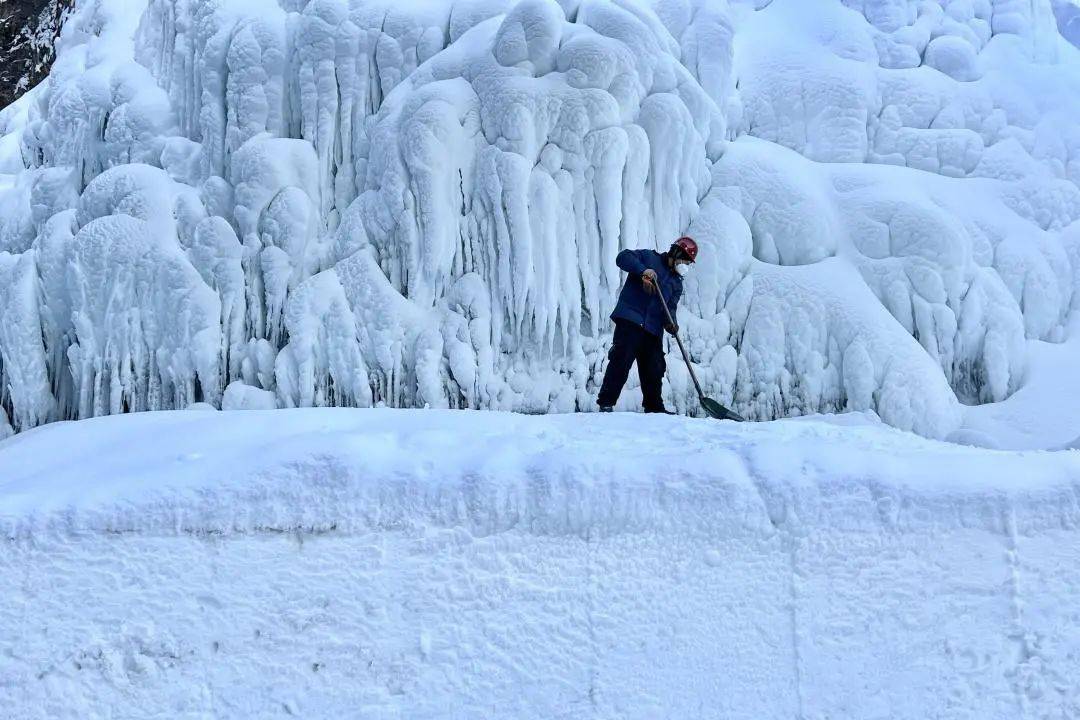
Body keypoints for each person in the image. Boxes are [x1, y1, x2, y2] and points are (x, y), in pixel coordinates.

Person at [597, 236, 698, 413]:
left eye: (688, 263)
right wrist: (643, 270)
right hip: (631, 320)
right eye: (684, 260)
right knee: (621, 359)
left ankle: (654, 408)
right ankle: (606, 402)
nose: (685, 266)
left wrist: (671, 324)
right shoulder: (649, 257)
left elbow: (671, 308)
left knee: (655, 367)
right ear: (675, 253)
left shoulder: (676, 283)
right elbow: (622, 258)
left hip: (653, 329)